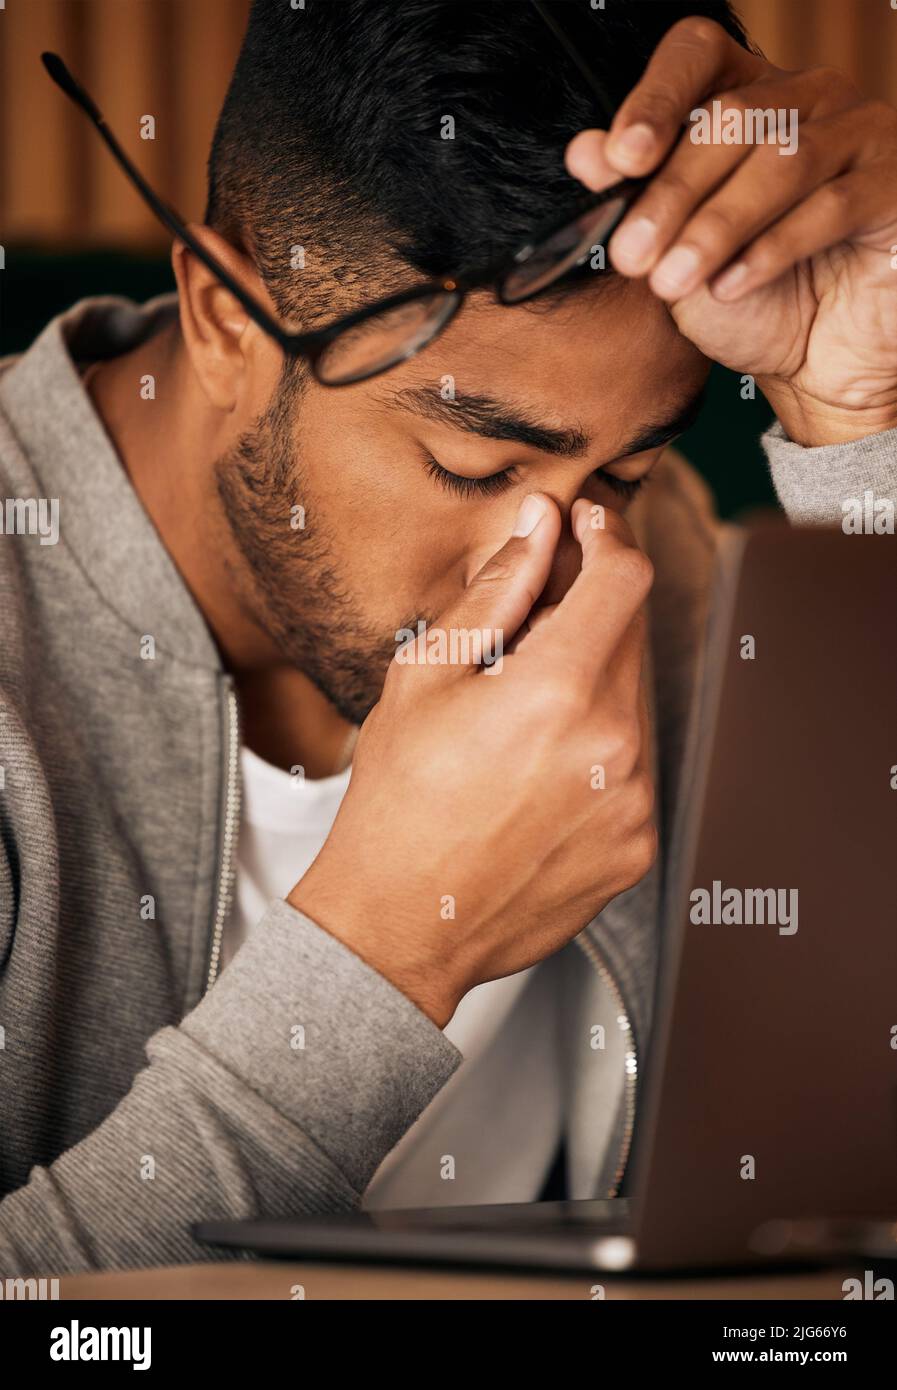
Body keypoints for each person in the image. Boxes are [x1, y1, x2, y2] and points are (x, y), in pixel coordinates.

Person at [1, 0, 895, 1273]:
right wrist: (383, 955)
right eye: (476, 467)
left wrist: (867, 438)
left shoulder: (670, 578)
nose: (557, 570)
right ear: (220, 321)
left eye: (629, 470)